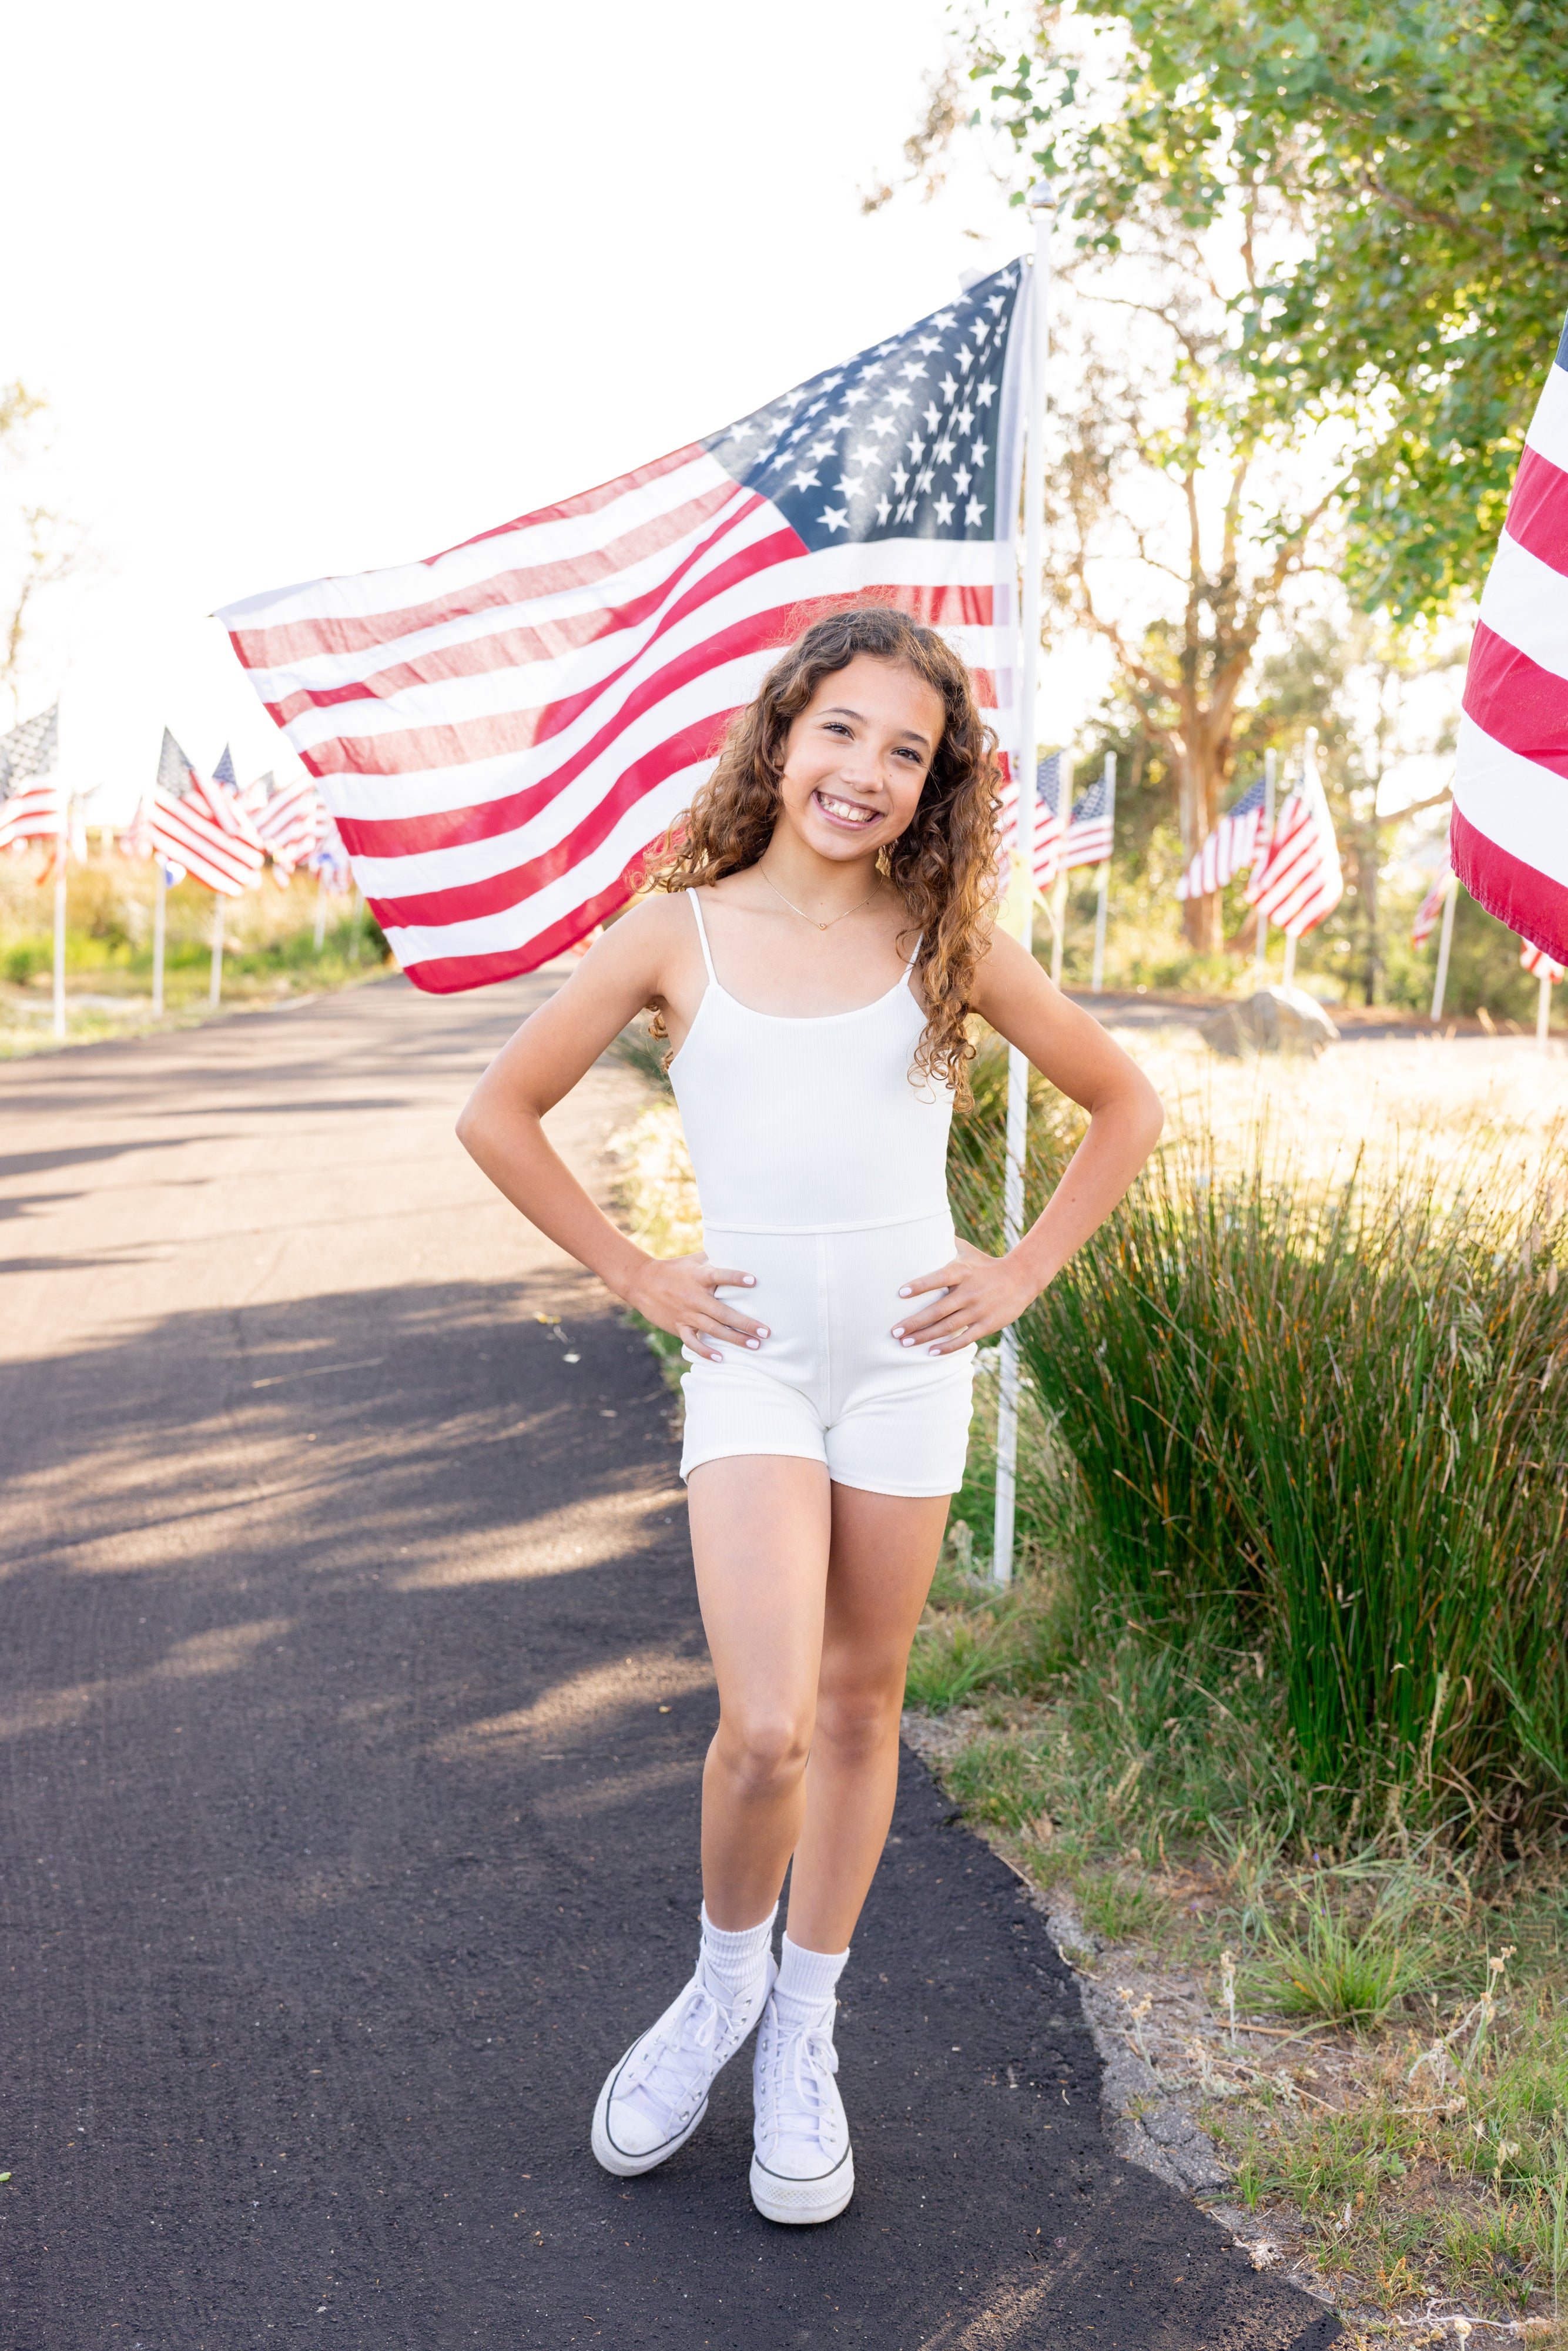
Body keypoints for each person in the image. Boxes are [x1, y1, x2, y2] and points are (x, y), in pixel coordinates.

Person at [456, 605, 1162, 2226]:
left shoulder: (948, 941)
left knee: (860, 1709)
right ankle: (718, 1990)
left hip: (910, 1359)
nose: (865, 771)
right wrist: (635, 1270)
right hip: (758, 1361)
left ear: (935, 786)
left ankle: (804, 2029)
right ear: (783, 734)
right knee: (764, 1723)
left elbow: (1123, 1099)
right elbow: (496, 1113)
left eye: (906, 752)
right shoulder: (670, 936)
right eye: (841, 730)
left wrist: (1023, 1273)